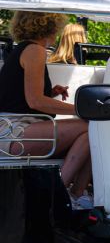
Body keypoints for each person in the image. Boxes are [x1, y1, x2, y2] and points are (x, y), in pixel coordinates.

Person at [0, 12, 93, 208]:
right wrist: (81, 109)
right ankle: (62, 195)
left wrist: (50, 93)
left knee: (90, 132)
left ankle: (73, 195)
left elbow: (19, 98)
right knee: (92, 127)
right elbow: (35, 102)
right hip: (14, 132)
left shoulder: (24, 49)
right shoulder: (35, 51)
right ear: (50, 26)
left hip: (9, 131)